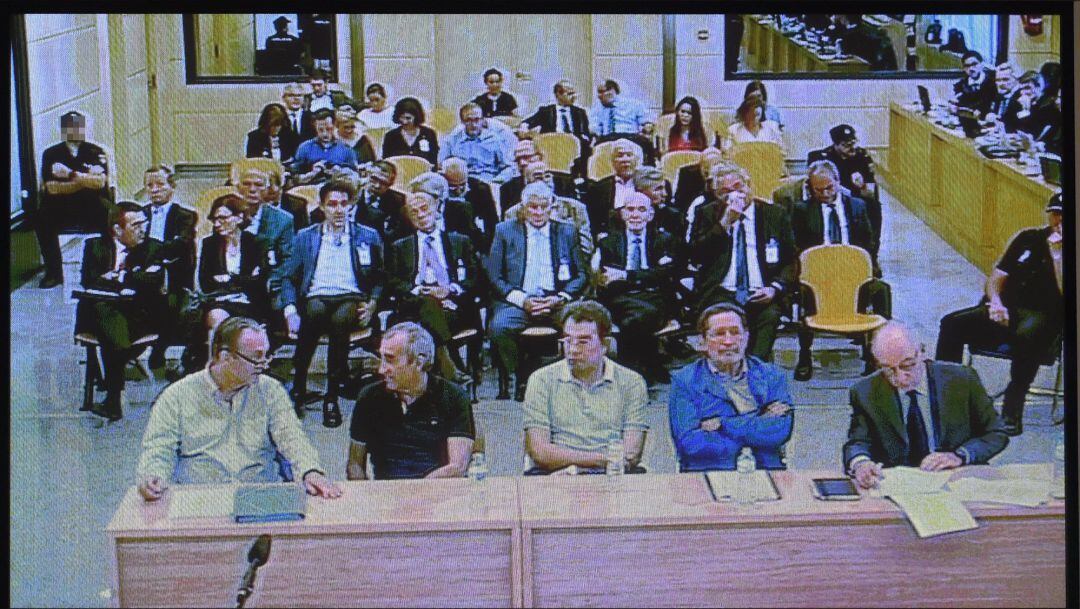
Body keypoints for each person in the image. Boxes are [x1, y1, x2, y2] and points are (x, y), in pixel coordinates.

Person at [135, 316, 342, 500]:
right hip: (200, 497)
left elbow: (293, 438)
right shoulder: (176, 395)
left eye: (266, 356)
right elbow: (159, 448)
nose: (264, 365)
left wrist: (310, 470)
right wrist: (154, 475)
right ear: (225, 357)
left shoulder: (270, 389)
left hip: (260, 494)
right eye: (256, 357)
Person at [935, 194, 1064, 436]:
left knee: (1028, 335)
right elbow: (997, 277)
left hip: (1045, 314)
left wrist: (1057, 254)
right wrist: (995, 302)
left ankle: (1012, 410)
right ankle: (948, 396)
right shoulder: (1029, 238)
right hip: (1006, 308)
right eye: (1056, 214)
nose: (1059, 220)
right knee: (952, 324)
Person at [270, 180, 385, 428]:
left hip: (351, 297)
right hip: (316, 296)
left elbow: (380, 278)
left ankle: (330, 395)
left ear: (351, 206)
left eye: (344, 204)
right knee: (315, 311)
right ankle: (300, 384)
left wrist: (374, 303)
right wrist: (290, 310)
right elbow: (288, 277)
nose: (339, 210)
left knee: (340, 318)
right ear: (322, 207)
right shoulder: (306, 237)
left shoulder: (367, 235)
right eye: (332, 204)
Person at [845, 322, 1009, 489]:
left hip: (958, 480)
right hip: (899, 486)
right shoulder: (865, 392)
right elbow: (858, 442)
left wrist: (959, 456)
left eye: (908, 365)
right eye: (889, 370)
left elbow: (996, 433)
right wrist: (861, 463)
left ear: (922, 353)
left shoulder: (962, 380)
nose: (901, 378)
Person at [486, 181, 588, 401]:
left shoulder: (567, 232)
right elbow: (494, 275)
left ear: (552, 207)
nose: (538, 212)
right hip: (519, 300)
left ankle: (570, 378)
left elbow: (581, 275)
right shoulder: (505, 231)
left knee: (580, 323)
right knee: (500, 327)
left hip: (556, 301)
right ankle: (518, 378)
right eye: (533, 207)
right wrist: (522, 300)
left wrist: (560, 297)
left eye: (544, 207)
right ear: (523, 208)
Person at [791, 160, 891, 380]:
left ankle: (877, 350)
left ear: (837, 182)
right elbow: (797, 246)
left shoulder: (858, 205)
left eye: (829, 188)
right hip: (819, 276)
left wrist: (864, 267)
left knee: (882, 290)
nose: (825, 194)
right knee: (806, 294)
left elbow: (869, 242)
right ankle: (805, 357)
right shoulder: (801, 210)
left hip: (853, 273)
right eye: (818, 190)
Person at [523, 301, 649, 475]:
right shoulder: (541, 380)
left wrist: (593, 466)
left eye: (583, 341)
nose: (573, 349)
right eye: (568, 340)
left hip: (613, 474)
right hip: (555, 473)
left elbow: (631, 454)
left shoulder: (632, 382)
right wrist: (600, 460)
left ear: (605, 345)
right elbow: (539, 451)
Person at [668, 303, 794, 471]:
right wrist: (758, 422)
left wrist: (723, 425)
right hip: (709, 472)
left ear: (747, 337)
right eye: (719, 334)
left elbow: (779, 432)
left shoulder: (771, 375)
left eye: (735, 333)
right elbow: (691, 444)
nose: (728, 341)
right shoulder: (685, 381)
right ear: (703, 341)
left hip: (765, 470)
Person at [691, 165, 797, 361]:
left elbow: (791, 260)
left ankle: (755, 369)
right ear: (716, 195)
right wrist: (724, 224)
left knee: (769, 316)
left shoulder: (775, 214)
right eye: (725, 192)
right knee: (722, 321)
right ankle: (726, 366)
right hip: (721, 290)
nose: (734, 195)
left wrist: (774, 288)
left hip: (762, 291)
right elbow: (696, 255)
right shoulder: (706, 214)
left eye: (739, 187)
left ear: (749, 186)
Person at [347, 322, 475, 480]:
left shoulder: (453, 396)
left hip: (437, 491)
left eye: (390, 359)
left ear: (419, 362)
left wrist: (415, 494)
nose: (381, 369)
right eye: (381, 358)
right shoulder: (369, 397)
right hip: (386, 494)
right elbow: (355, 464)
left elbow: (457, 467)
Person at [75, 201, 165, 421]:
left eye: (144, 223)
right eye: (135, 225)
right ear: (117, 229)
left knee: (111, 333)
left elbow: (153, 281)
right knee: (105, 313)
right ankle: (121, 356)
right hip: (100, 311)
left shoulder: (152, 247)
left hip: (136, 315)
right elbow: (89, 281)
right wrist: (129, 281)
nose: (142, 229)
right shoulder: (95, 246)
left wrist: (119, 277)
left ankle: (113, 399)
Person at [386, 192, 481, 382]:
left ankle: (445, 368)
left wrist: (450, 289)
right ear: (409, 218)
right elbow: (393, 282)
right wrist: (419, 290)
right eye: (414, 212)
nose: (421, 215)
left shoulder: (459, 241)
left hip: (453, 307)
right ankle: (452, 365)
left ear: (436, 210)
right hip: (415, 306)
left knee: (428, 319)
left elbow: (475, 278)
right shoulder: (400, 246)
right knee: (427, 304)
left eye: (424, 209)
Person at [596, 192, 682, 385]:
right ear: (622, 214)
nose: (635, 215)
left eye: (641, 210)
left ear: (650, 215)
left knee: (633, 320)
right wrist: (647, 276)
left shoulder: (665, 240)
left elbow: (667, 274)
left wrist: (627, 276)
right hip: (621, 300)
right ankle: (648, 366)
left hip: (656, 298)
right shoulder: (608, 243)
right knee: (638, 317)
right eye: (630, 209)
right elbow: (609, 282)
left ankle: (631, 373)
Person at [193, 194, 271, 372]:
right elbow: (206, 282)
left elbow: (260, 282)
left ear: (239, 217)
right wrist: (243, 280)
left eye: (223, 218)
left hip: (250, 302)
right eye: (215, 219)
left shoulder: (256, 243)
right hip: (219, 301)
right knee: (218, 316)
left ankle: (242, 366)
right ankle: (219, 368)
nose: (217, 223)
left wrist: (230, 278)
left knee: (235, 320)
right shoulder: (210, 244)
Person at [35, 110, 113, 289]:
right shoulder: (51, 154)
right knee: (42, 217)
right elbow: (53, 188)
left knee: (106, 213)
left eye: (79, 126)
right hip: (61, 206)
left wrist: (70, 174)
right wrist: (85, 179)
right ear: (63, 129)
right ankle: (54, 272)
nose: (76, 130)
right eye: (71, 126)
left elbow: (100, 183)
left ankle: (104, 266)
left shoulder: (95, 151)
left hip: (91, 204)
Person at [141, 165, 197, 372]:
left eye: (160, 184)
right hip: (145, 272)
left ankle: (159, 350)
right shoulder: (140, 214)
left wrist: (151, 250)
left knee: (170, 305)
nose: (154, 190)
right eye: (149, 185)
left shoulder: (185, 215)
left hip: (173, 275)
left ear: (172, 187)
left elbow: (180, 245)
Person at [504, 159, 593, 260]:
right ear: (527, 183)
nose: (545, 180)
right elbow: (512, 254)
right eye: (538, 177)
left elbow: (586, 250)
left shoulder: (575, 209)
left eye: (547, 176)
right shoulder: (513, 214)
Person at [806, 123, 880, 241]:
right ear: (835, 145)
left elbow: (871, 190)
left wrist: (863, 186)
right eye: (845, 145)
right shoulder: (824, 158)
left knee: (873, 206)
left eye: (853, 143)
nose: (851, 148)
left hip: (858, 197)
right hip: (833, 196)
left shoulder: (862, 157)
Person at [520, 79, 592, 175]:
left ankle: (580, 179)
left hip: (573, 146)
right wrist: (524, 127)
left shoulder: (579, 112)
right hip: (551, 145)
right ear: (558, 95)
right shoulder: (546, 111)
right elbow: (527, 122)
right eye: (570, 94)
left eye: (574, 93)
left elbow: (586, 133)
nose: (574, 97)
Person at [236, 168, 295, 274]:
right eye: (246, 184)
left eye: (259, 185)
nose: (252, 189)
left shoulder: (283, 220)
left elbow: (287, 261)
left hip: (267, 281)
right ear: (238, 188)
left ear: (267, 190)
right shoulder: (226, 215)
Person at [438, 102, 514, 183]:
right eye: (468, 120)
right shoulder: (451, 140)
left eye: (477, 120)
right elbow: (441, 167)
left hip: (488, 182)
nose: (473, 125)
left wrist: (496, 182)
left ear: (483, 120)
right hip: (461, 184)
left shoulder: (495, 139)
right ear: (462, 121)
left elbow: (509, 167)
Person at [584, 138, 642, 238]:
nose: (625, 160)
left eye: (629, 155)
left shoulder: (646, 185)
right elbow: (594, 222)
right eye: (620, 156)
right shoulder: (598, 189)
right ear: (613, 162)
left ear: (636, 160)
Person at [498, 139, 576, 213]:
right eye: (518, 160)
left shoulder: (564, 182)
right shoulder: (507, 189)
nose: (522, 163)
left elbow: (574, 211)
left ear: (540, 157)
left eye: (526, 157)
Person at [590, 79, 655, 165]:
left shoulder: (633, 104)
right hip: (608, 137)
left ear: (612, 91)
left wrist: (646, 127)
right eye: (598, 93)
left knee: (646, 144)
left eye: (601, 92)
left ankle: (649, 170)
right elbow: (594, 127)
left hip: (631, 136)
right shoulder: (597, 108)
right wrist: (595, 131)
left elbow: (648, 120)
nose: (599, 96)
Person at [440, 158, 499, 251]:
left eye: (462, 185)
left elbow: (491, 224)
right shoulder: (437, 189)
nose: (458, 191)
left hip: (474, 238)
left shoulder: (481, 190)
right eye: (453, 187)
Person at [291, 109, 359, 184]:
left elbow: (356, 177)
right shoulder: (305, 147)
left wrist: (341, 172)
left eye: (328, 129)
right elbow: (294, 178)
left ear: (334, 126)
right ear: (315, 127)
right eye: (320, 130)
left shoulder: (346, 149)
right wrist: (312, 173)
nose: (325, 134)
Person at [381, 96, 440, 165]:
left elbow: (433, 160)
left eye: (408, 118)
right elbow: (386, 161)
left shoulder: (429, 134)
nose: (404, 121)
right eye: (402, 117)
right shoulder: (391, 136)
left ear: (417, 117)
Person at [633, 167, 684, 240]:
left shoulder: (672, 217)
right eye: (658, 189)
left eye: (664, 188)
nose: (665, 194)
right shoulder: (625, 215)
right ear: (640, 191)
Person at [261, 165, 312, 232]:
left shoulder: (298, 205)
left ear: (280, 187)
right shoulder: (255, 204)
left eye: (272, 184)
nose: (268, 189)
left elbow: (303, 233)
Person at [673, 146, 723, 213]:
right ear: (700, 163)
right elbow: (679, 204)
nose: (708, 169)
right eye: (706, 166)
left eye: (715, 164)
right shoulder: (686, 174)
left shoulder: (726, 174)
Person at [949, 50, 997, 118]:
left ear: (982, 64)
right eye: (967, 66)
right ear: (963, 68)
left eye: (974, 64)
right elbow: (956, 102)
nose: (971, 69)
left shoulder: (993, 83)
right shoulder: (960, 86)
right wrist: (953, 106)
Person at [986, 63, 1022, 132]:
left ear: (1017, 80)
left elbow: (1018, 127)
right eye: (998, 80)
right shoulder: (998, 95)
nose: (1000, 84)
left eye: (1005, 79)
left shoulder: (1021, 98)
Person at [281, 82, 315, 148]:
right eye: (291, 95)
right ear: (284, 98)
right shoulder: (279, 117)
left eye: (299, 95)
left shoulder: (311, 117)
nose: (296, 98)